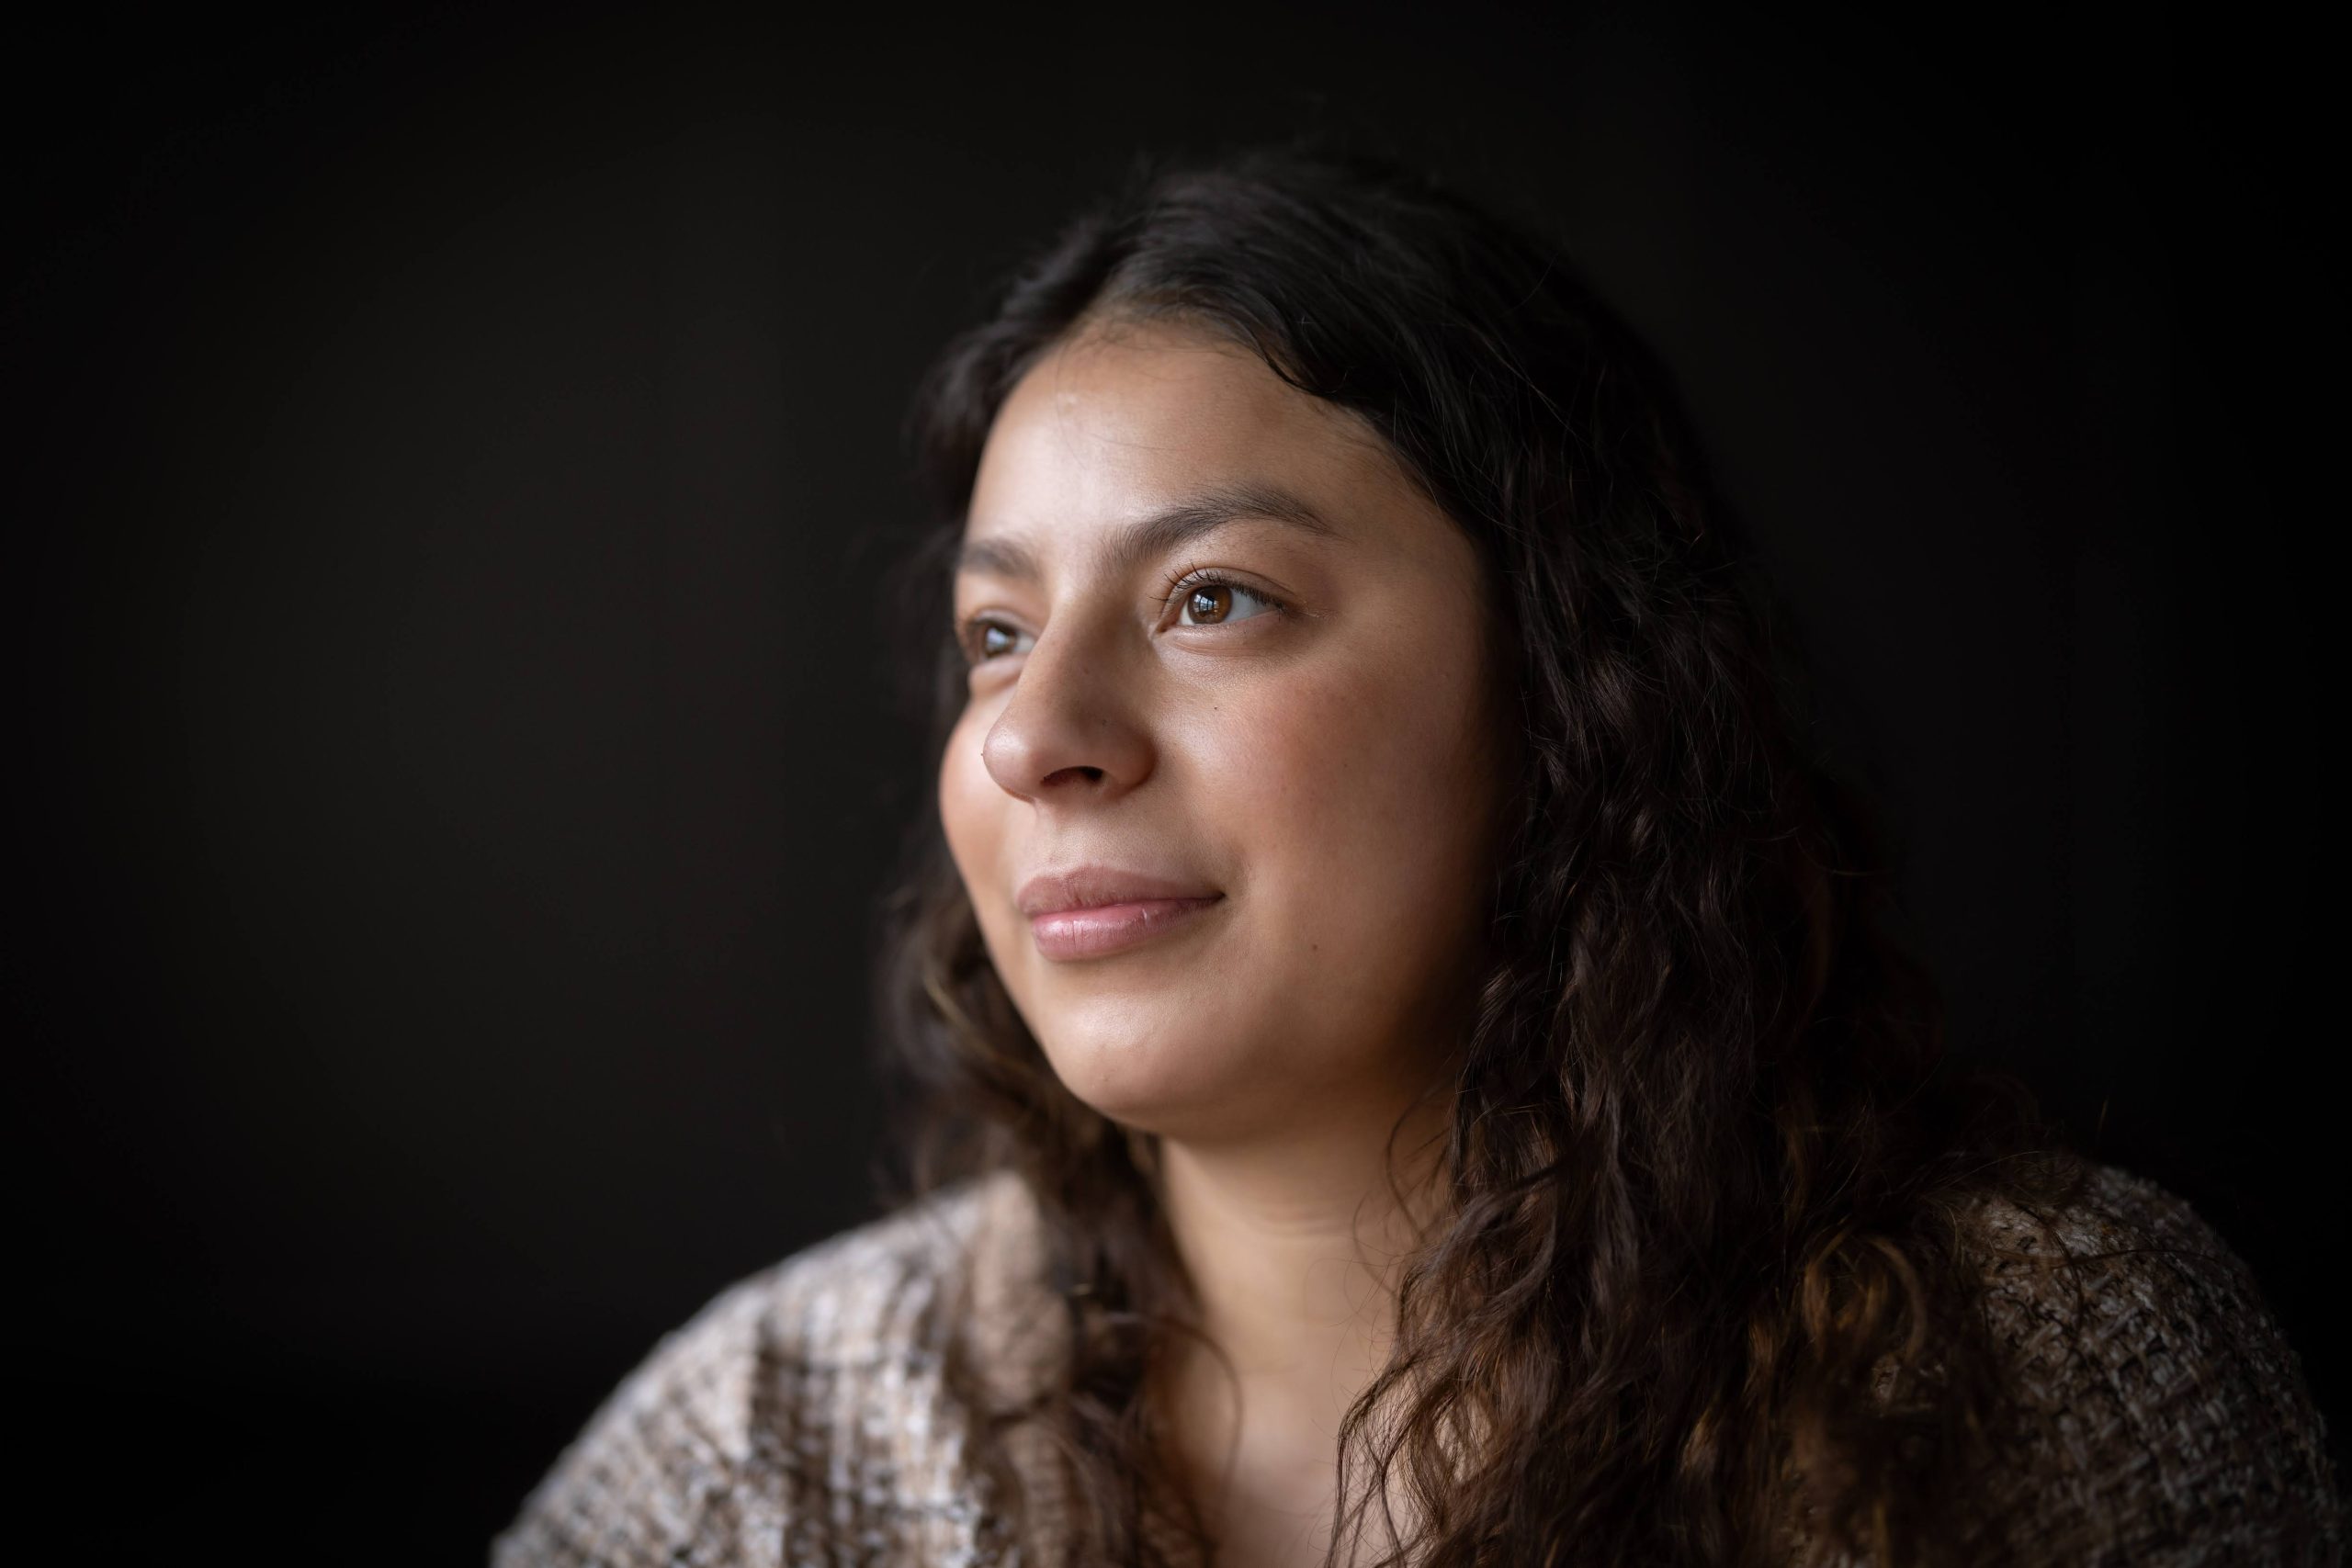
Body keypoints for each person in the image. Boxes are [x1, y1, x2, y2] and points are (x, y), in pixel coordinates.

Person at [492, 146, 2340, 1568]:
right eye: (993, 632)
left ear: (1565, 677)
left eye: (1211, 597)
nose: (1033, 733)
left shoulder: (2043, 1371)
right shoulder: (753, 1460)